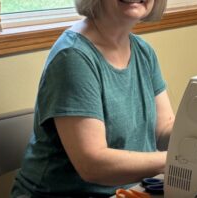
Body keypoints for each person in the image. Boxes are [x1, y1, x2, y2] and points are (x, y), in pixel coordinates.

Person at [11, 0, 174, 197]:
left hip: (126, 191)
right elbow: (93, 165)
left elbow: (163, 130)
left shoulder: (144, 52)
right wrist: (176, 161)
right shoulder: (73, 56)